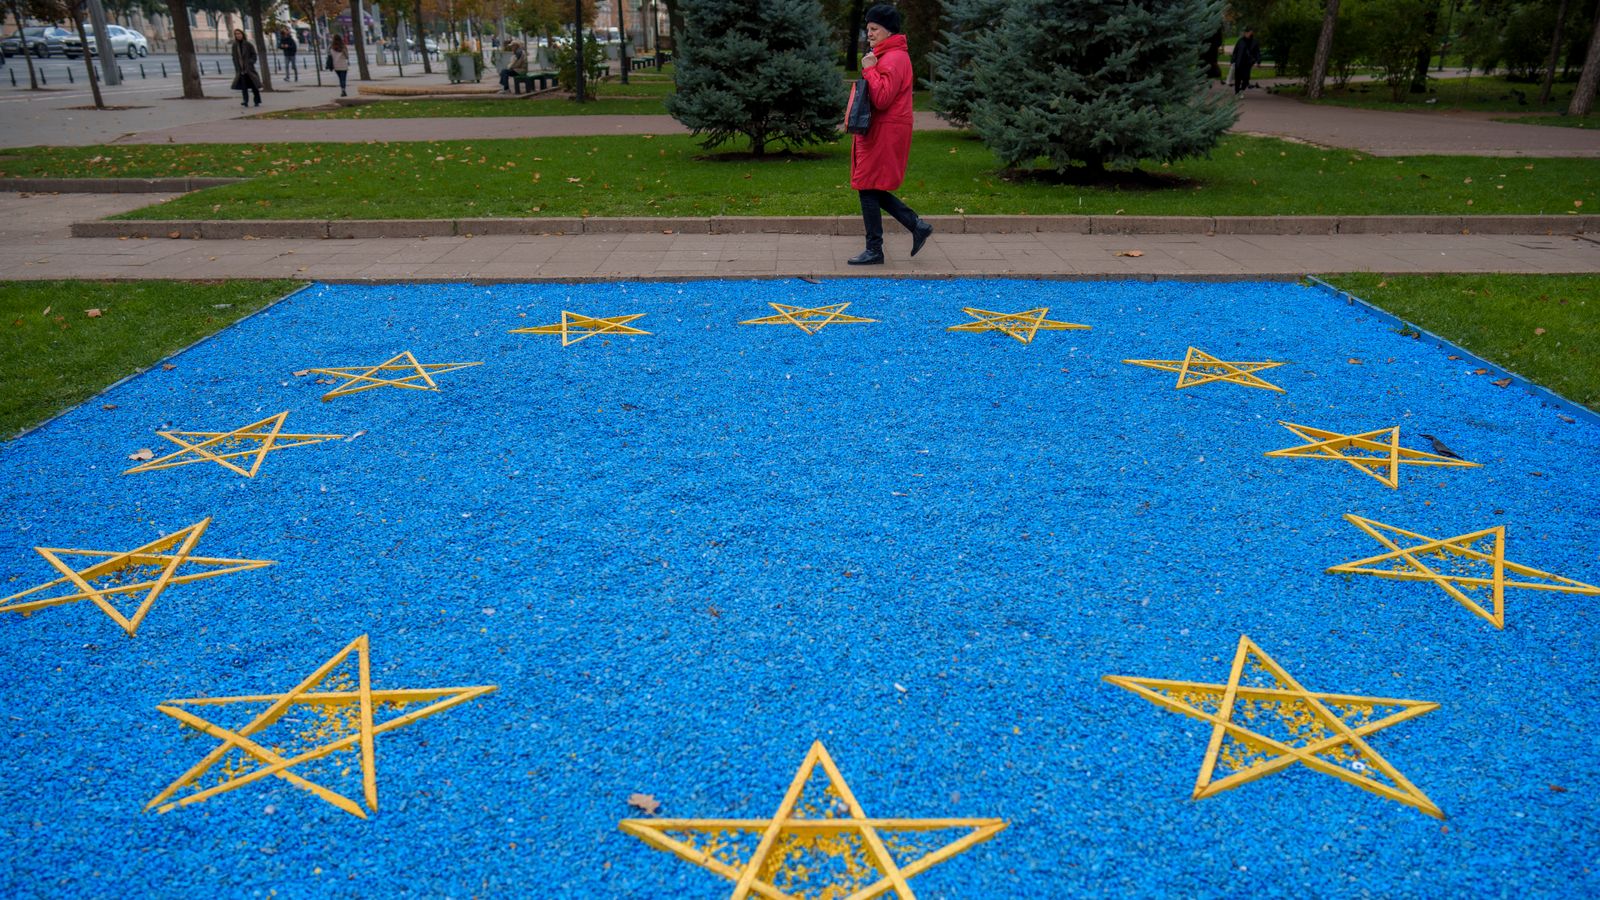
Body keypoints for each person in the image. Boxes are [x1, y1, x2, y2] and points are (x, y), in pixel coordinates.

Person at [848, 5, 931, 266]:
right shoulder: (886, 55)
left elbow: (882, 98)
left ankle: (876, 249)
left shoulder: (894, 58)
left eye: (874, 29)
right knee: (869, 185)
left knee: (867, 186)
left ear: (888, 30)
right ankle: (915, 226)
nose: (869, 33)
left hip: (885, 131)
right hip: (880, 130)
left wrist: (870, 69)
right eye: (868, 28)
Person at [230, 28, 262, 108]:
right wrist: (236, 66)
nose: (238, 35)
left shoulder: (248, 44)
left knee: (254, 85)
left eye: (239, 34)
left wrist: (250, 62)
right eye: (236, 34)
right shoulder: (234, 45)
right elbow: (234, 56)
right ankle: (245, 101)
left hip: (249, 69)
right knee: (243, 87)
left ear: (242, 34)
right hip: (241, 70)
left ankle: (257, 101)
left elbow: (254, 55)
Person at [1231, 28, 1261, 95]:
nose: (1248, 34)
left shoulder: (1254, 42)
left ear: (1252, 33)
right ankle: (1237, 92)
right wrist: (1232, 60)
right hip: (1239, 62)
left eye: (1250, 32)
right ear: (1245, 33)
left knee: (1246, 78)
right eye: (1246, 33)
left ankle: (1242, 90)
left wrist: (1258, 61)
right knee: (1237, 78)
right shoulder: (1240, 41)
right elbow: (1235, 52)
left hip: (1248, 64)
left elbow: (1257, 53)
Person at [329, 33, 350, 97]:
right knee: (343, 79)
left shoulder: (331, 47)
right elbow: (347, 56)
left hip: (336, 66)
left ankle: (342, 89)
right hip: (343, 66)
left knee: (340, 79)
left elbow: (329, 56)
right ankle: (343, 90)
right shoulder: (343, 47)